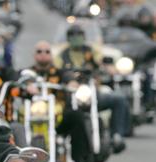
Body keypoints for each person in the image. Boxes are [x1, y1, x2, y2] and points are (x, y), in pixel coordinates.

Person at [54, 24, 130, 152]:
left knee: (119, 100)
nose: (76, 38)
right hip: (70, 96)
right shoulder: (61, 55)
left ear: (84, 37)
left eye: (79, 35)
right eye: (73, 35)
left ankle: (117, 135)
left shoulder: (91, 51)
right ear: (68, 38)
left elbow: (101, 62)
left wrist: (109, 68)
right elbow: (55, 71)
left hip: (91, 92)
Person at [30, 40, 94, 162]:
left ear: (51, 55)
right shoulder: (29, 74)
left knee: (78, 116)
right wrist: (27, 86)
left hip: (57, 117)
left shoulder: (59, 73)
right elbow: (17, 78)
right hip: (31, 117)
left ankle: (81, 161)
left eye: (47, 51)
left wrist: (72, 83)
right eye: (39, 51)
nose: (43, 55)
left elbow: (69, 77)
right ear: (34, 55)